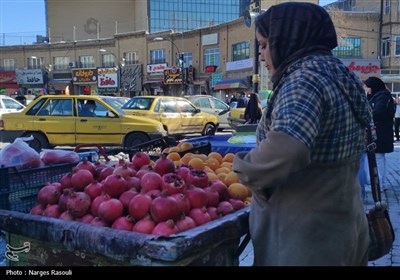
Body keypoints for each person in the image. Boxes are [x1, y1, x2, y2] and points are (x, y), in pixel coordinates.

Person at [232, 2, 372, 266]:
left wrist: (243, 168)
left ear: (287, 39)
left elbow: (288, 148)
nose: (262, 55)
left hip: (305, 239)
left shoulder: (304, 80)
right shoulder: (341, 74)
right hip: (344, 223)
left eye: (264, 45)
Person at [359, 77, 395, 194]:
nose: (366, 90)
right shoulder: (378, 96)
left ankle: (378, 184)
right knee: (379, 157)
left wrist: (366, 114)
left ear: (373, 86)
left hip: (380, 133)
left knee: (378, 158)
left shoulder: (383, 96)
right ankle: (380, 183)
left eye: (367, 87)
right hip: (378, 132)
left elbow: (378, 112)